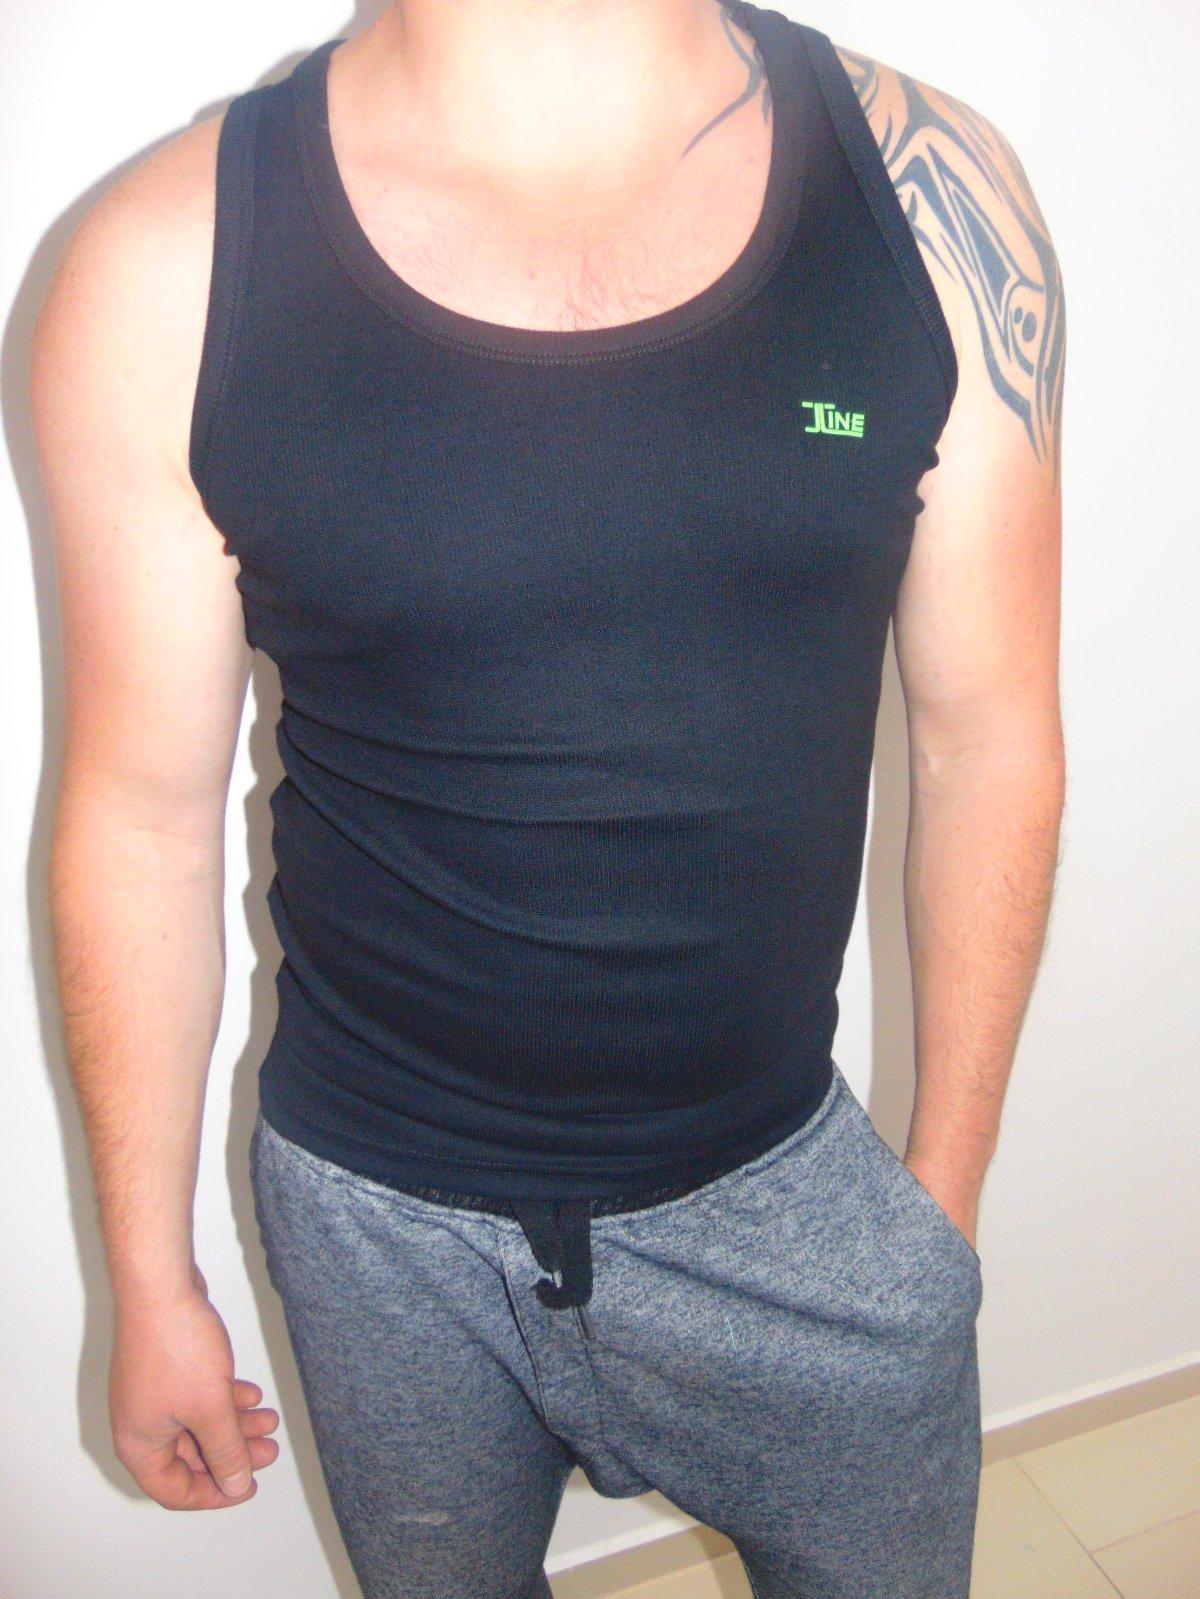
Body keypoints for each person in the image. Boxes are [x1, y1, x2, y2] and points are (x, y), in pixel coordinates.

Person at [31, 0, 1065, 1593]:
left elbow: (985, 737)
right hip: (379, 1235)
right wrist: (147, 1277)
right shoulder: (159, 267)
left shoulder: (927, 198)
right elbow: (136, 821)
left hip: (789, 1195)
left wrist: (940, 1209)